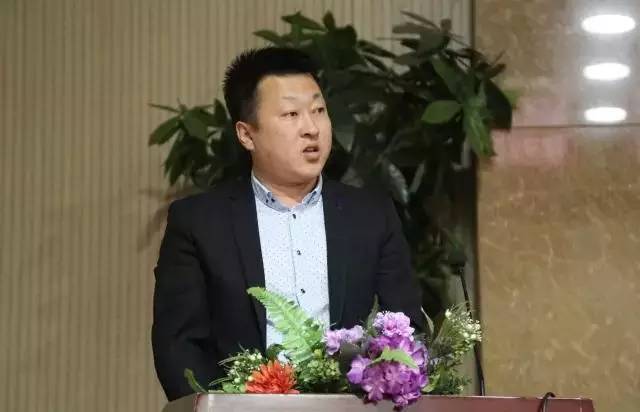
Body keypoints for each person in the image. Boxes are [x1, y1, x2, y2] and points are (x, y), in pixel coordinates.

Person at [152, 47, 422, 401]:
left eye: (319, 111)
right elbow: (178, 345)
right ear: (246, 134)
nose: (311, 129)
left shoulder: (371, 215)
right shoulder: (199, 222)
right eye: (291, 114)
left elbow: (406, 329)